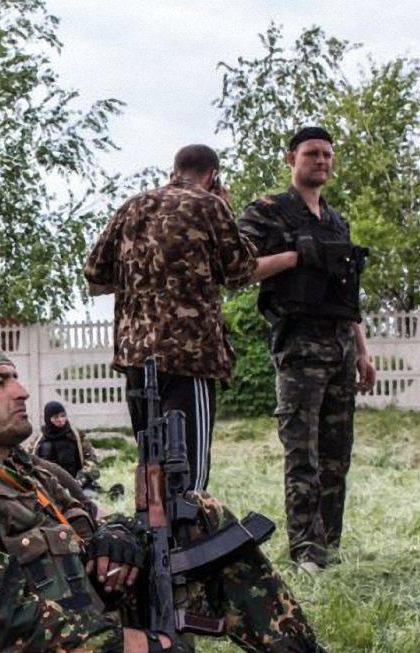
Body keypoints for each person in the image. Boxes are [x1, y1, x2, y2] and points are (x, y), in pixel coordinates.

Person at [0, 338, 357, 653]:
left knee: (200, 515)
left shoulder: (27, 470)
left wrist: (114, 539)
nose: (21, 391)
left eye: (16, 377)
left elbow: (85, 522)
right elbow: (2, 627)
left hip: (95, 617)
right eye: (0, 382)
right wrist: (142, 644)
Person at [85, 144, 299, 491]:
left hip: (137, 358)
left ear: (173, 172)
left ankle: (155, 541)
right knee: (188, 478)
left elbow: (94, 273)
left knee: (151, 473)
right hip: (190, 357)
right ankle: (187, 538)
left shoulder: (132, 206)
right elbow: (239, 271)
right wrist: (291, 258)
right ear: (212, 176)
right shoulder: (210, 205)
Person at [238, 126, 376, 573]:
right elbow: (237, 269)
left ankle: (329, 546)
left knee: (338, 453)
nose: (322, 161)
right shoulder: (269, 212)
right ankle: (306, 552)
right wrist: (296, 256)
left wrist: (362, 351)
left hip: (338, 343)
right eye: (312, 153)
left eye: (328, 155)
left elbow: (347, 293)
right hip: (298, 345)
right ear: (290, 158)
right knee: (303, 454)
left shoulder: (337, 221)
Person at [31, 401, 101, 493]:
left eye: (63, 415)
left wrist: (81, 480)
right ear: (48, 419)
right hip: (49, 489)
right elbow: (29, 464)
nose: (60, 420)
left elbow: (91, 462)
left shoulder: (76, 436)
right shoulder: (38, 441)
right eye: (55, 417)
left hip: (77, 486)